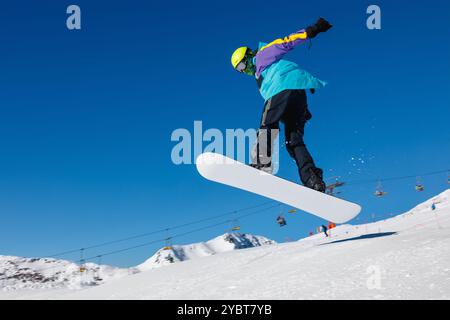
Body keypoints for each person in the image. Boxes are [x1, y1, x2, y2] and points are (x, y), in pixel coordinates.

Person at [230, 18, 332, 192]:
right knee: (294, 141)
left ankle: (262, 163)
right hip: (297, 94)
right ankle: (313, 180)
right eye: (239, 70)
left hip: (281, 90)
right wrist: (302, 111)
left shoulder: (262, 55)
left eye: (242, 65)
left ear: (248, 56)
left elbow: (285, 42)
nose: (244, 70)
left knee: (267, 125)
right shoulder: (259, 76)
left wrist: (311, 30)